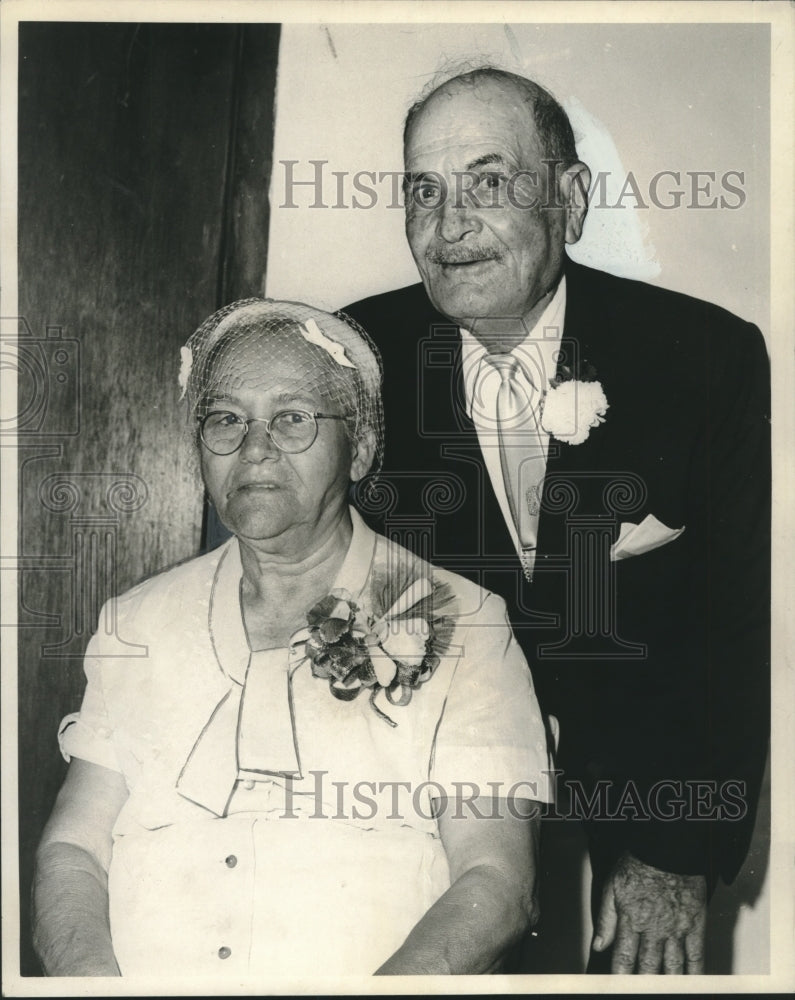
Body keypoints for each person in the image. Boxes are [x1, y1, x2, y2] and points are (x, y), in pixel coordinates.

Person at [343, 67, 770, 975]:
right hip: (432, 819)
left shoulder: (703, 358)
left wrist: (677, 848)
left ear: (569, 198)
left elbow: (728, 631)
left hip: (644, 818)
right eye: (424, 190)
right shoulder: (356, 359)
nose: (448, 226)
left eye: (488, 184)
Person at [32, 298, 553, 978]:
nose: (253, 449)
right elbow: (72, 850)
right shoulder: (138, 623)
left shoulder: (463, 621)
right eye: (224, 419)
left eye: (291, 418)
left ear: (361, 448)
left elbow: (495, 882)